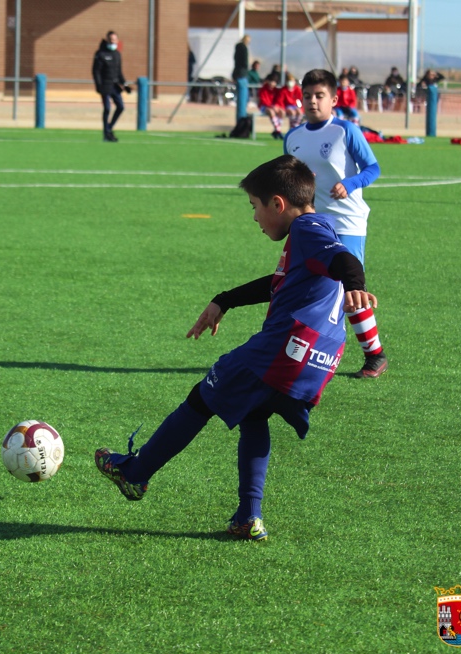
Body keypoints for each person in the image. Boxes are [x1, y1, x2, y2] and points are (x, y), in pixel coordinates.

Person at [94, 154, 378, 540]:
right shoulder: (317, 229)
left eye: (256, 207)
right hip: (320, 360)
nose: (255, 218)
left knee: (201, 398)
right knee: (254, 414)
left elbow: (343, 259)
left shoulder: (309, 230)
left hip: (283, 349)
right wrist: (224, 299)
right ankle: (248, 516)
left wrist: (356, 284)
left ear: (277, 204)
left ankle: (135, 473)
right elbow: (280, 281)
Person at [283, 69, 388, 378]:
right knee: (301, 286)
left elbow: (374, 167)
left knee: (350, 291)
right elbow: (289, 179)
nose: (312, 102)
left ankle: (375, 356)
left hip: (347, 221)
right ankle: (300, 352)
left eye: (319, 96)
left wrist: (351, 183)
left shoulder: (346, 131)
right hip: (312, 223)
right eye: (307, 96)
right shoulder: (293, 137)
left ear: (333, 99)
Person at [92, 31, 131, 142]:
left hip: (115, 86)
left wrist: (125, 85)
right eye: (111, 40)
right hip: (105, 85)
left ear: (117, 41)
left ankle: (108, 128)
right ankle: (106, 134)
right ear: (107, 40)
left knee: (121, 107)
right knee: (107, 108)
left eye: (114, 40)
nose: (113, 42)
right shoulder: (100, 54)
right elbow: (96, 72)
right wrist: (98, 85)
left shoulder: (117, 54)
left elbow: (119, 72)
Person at [257, 74, 286, 139]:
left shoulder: (276, 90)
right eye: (271, 81)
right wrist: (271, 106)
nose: (272, 83)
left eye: (274, 82)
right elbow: (263, 100)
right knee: (271, 112)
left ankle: (276, 130)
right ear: (268, 81)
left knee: (282, 112)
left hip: (274, 107)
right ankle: (278, 131)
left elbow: (278, 100)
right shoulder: (263, 89)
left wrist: (276, 106)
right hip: (264, 106)